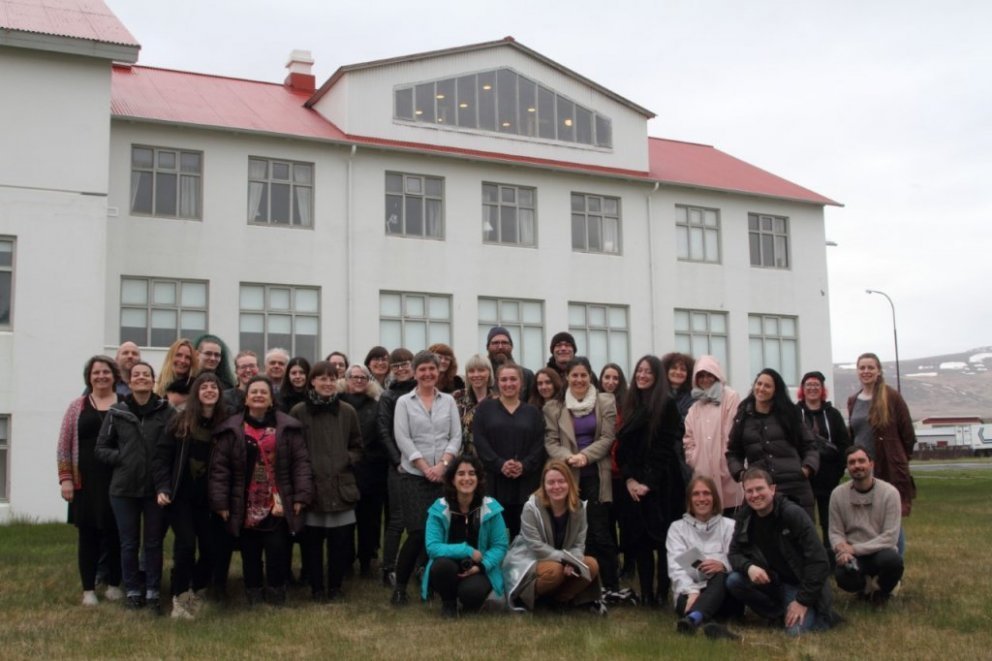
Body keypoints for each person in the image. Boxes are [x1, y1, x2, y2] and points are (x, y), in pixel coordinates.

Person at [209, 376, 312, 606]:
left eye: (263, 392)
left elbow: (301, 463)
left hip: (276, 501)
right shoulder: (232, 429)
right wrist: (221, 503)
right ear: (245, 399)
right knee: (250, 551)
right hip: (244, 502)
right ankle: (253, 592)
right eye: (253, 392)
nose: (258, 396)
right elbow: (220, 469)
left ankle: (276, 591)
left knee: (277, 548)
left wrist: (301, 496)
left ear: (271, 400)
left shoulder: (288, 428)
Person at [94, 361, 173, 612]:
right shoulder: (117, 412)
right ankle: (133, 591)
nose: (141, 378)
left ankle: (152, 592)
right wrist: (123, 458)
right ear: (129, 382)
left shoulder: (166, 411)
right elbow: (101, 448)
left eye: (146, 375)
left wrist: (166, 485)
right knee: (128, 543)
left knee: (153, 543)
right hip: (123, 489)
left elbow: (173, 449)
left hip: (155, 489)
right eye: (136, 375)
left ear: (153, 380)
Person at [544, 356, 621, 600]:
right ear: (567, 377)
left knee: (600, 530)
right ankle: (582, 584)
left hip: (596, 473)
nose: (579, 379)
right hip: (567, 476)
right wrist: (569, 457)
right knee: (574, 531)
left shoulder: (605, 401)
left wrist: (585, 457)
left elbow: (608, 438)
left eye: (583, 375)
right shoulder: (553, 407)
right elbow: (551, 441)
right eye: (574, 375)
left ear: (590, 377)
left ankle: (611, 585)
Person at [153, 372, 229, 619]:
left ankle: (194, 588)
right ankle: (179, 599)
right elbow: (161, 458)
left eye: (214, 387)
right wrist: (163, 487)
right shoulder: (180, 422)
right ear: (196, 393)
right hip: (180, 497)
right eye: (204, 387)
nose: (209, 390)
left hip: (210, 499)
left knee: (211, 549)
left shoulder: (226, 425)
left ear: (219, 393)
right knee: (185, 546)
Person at [726, 468, 836, 635]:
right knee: (734, 580)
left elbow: (819, 561)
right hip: (773, 581)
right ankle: (778, 613)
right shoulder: (744, 517)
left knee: (795, 633)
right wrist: (749, 567)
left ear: (772, 489)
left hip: (800, 584)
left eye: (759, 489)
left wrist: (802, 601)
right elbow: (734, 553)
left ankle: (814, 614)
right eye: (749, 491)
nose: (755, 495)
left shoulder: (792, 514)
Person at [390, 351, 462, 605]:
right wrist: (425, 467)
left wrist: (442, 466)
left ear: (438, 370)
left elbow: (456, 436)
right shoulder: (404, 402)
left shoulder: (449, 401)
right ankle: (400, 587)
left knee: (441, 533)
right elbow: (403, 438)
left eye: (432, 368)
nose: (428, 373)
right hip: (414, 477)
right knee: (418, 532)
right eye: (422, 369)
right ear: (414, 372)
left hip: (443, 477)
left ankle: (431, 583)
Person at [617, 355, 686, 606]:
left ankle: (662, 592)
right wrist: (629, 480)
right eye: (639, 371)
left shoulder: (666, 405)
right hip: (634, 483)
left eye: (648, 372)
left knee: (665, 539)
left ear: (657, 377)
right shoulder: (631, 404)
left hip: (664, 484)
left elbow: (665, 448)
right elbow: (623, 449)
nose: (642, 375)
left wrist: (648, 483)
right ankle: (646, 593)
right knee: (640, 539)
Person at [290, 361, 363, 602]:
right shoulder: (299, 411)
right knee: (312, 543)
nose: (328, 383)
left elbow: (357, 445)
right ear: (312, 381)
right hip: (311, 486)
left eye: (332, 378)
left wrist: (345, 458)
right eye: (322, 378)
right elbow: (291, 448)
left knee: (340, 542)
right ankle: (317, 588)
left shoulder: (347, 411)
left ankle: (336, 587)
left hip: (341, 485)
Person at [58, 355, 124, 606]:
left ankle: (114, 584)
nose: (101, 376)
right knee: (88, 535)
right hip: (84, 481)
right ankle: (88, 590)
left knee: (117, 533)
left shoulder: (125, 404)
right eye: (96, 372)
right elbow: (64, 444)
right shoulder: (77, 406)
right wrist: (66, 479)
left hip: (118, 479)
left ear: (114, 376)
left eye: (106, 372)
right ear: (89, 377)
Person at [502, 460, 603, 612]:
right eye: (551, 482)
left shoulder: (580, 508)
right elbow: (535, 546)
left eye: (561, 481)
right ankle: (534, 599)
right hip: (532, 559)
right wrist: (565, 559)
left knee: (591, 565)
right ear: (544, 485)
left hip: (563, 560)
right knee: (555, 571)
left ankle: (560, 600)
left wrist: (573, 561)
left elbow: (578, 544)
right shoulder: (531, 508)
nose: (556, 486)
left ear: (569, 483)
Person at [847, 352, 916, 556]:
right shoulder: (853, 400)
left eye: (870, 367)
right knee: (867, 519)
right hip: (861, 468)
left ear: (878, 371)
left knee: (891, 518)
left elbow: (908, 433)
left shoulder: (891, 397)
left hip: (888, 467)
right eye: (862, 368)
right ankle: (874, 563)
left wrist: (899, 457)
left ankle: (895, 565)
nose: (866, 371)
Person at [423, 454, 509, 617]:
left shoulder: (491, 508)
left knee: (471, 593)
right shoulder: (439, 508)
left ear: (478, 478)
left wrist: (481, 566)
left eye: (472, 473)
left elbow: (500, 546)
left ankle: (465, 598)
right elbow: (432, 547)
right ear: (452, 479)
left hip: (479, 568)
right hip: (448, 566)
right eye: (461, 474)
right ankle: (448, 603)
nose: (466, 478)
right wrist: (467, 551)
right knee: (441, 567)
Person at [727, 368, 818, 519]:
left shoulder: (790, 413)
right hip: (759, 488)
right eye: (759, 383)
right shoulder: (743, 416)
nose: (761, 388)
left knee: (799, 531)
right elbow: (733, 453)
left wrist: (807, 468)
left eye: (767, 386)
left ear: (776, 391)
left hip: (795, 486)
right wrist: (741, 474)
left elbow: (810, 446)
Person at [472, 362, 546, 539]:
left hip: (526, 483)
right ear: (497, 382)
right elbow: (480, 441)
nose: (508, 384)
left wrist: (524, 465)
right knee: (495, 534)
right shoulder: (485, 409)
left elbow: (539, 444)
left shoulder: (533, 412)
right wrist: (500, 464)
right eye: (504, 380)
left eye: (513, 379)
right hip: (494, 482)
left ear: (521, 383)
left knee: (524, 534)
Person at [667, 476, 742, 640]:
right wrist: (692, 591)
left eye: (707, 493)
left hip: (724, 594)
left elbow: (738, 558)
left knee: (720, 574)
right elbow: (676, 569)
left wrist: (723, 565)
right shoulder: (677, 529)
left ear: (714, 498)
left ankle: (693, 619)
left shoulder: (730, 526)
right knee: (685, 599)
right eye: (696, 494)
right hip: (691, 594)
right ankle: (709, 625)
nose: (702, 498)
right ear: (689, 499)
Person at [829, 446, 904, 605]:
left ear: (871, 464)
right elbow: (835, 532)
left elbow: (890, 537)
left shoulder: (890, 493)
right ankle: (865, 588)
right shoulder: (837, 494)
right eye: (852, 462)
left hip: (880, 552)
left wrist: (854, 549)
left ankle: (882, 590)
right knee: (842, 576)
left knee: (893, 562)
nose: (857, 465)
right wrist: (842, 550)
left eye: (861, 461)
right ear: (847, 467)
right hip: (854, 556)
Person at [339, 363, 386, 578]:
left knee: (369, 520)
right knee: (346, 520)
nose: (358, 380)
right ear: (346, 379)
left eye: (363, 377)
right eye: (354, 377)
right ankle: (345, 560)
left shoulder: (376, 405)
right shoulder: (338, 403)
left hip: (371, 471)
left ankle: (367, 560)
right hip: (344, 470)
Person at [797, 370, 851, 550]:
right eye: (808, 385)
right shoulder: (794, 413)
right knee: (804, 521)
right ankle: (809, 556)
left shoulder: (833, 414)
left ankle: (831, 556)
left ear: (822, 389)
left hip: (829, 478)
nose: (812, 388)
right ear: (803, 389)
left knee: (830, 521)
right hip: (803, 477)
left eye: (816, 385)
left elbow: (844, 444)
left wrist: (838, 471)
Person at [375, 348, 416, 587]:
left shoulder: (421, 392)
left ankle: (419, 565)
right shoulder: (388, 396)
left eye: (405, 364)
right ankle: (388, 567)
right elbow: (383, 430)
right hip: (398, 465)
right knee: (397, 519)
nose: (401, 369)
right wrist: (397, 461)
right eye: (396, 365)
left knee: (423, 519)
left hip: (423, 463)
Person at [683, 355, 743, 515]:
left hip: (728, 470)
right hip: (703, 472)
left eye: (709, 375)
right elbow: (688, 439)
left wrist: (725, 462)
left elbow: (732, 432)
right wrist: (694, 458)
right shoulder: (694, 408)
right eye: (701, 376)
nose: (705, 379)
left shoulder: (731, 397)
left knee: (732, 517)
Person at [456, 353, 494, 455]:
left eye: (481, 370)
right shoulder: (457, 398)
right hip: (463, 457)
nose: (476, 375)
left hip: (491, 456)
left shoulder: (498, 400)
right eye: (471, 371)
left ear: (489, 373)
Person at [485, 326, 534, 401]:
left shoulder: (527, 375)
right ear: (488, 347)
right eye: (495, 343)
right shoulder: (480, 376)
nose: (500, 347)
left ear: (511, 346)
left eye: (504, 343)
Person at [661, 352, 695, 420]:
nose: (678, 372)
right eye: (674, 368)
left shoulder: (693, 397)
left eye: (683, 369)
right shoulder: (658, 394)